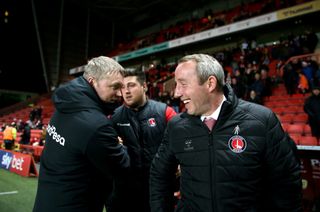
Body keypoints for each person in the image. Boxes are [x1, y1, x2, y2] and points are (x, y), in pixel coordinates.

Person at [149, 54, 302, 212]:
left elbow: (287, 184)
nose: (176, 93)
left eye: (183, 84)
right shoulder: (176, 126)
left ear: (210, 83)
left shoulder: (261, 120)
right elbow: (159, 176)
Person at [33, 56, 130, 212]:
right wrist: (120, 144)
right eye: (115, 86)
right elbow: (122, 166)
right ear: (92, 81)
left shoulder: (65, 105)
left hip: (46, 202)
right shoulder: (95, 125)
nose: (120, 94)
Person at [109, 67, 176, 212]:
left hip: (159, 192)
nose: (126, 91)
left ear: (144, 86)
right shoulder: (114, 118)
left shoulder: (165, 112)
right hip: (127, 193)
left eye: (131, 85)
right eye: (122, 87)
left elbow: (181, 146)